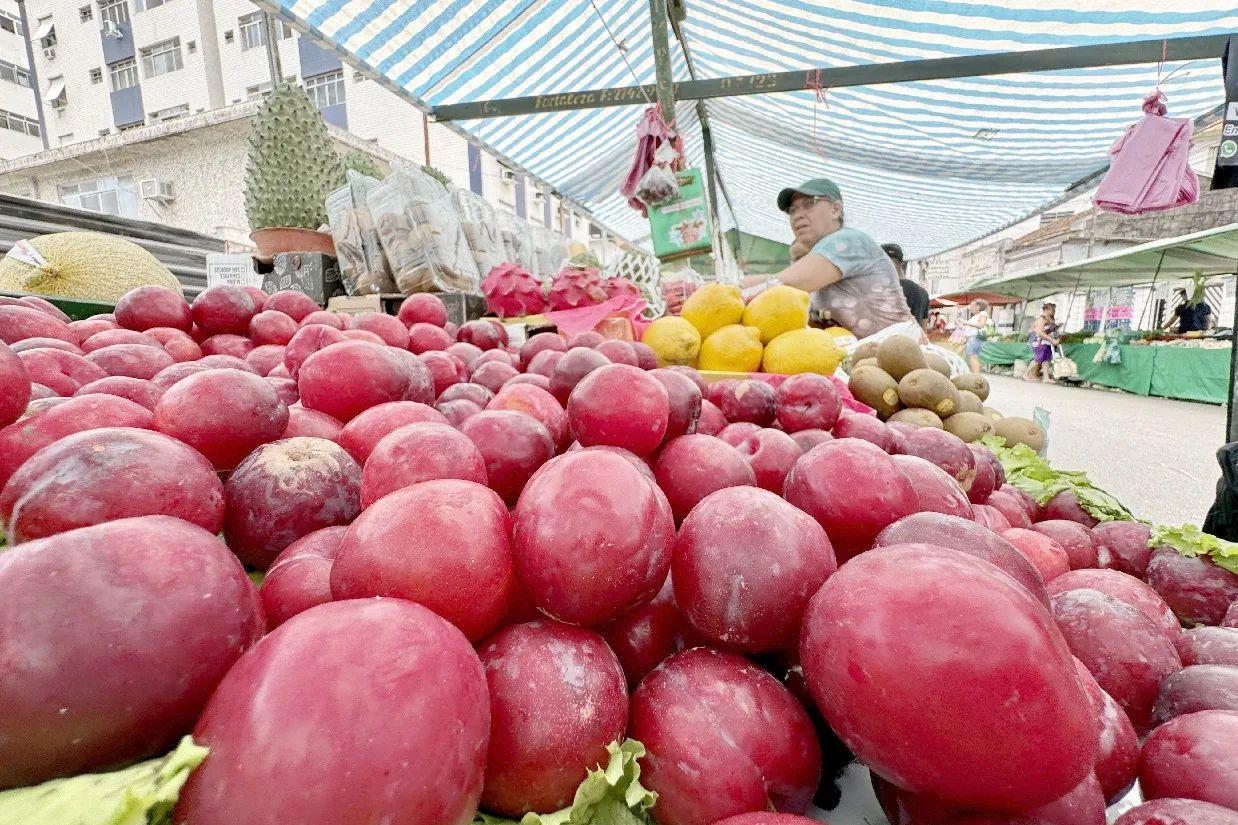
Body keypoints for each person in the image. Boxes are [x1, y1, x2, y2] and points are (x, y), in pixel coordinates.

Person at [742, 178, 914, 338]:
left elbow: (781, 283)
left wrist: (727, 288)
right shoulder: (821, 259)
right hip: (866, 356)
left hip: (901, 355)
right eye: (792, 210)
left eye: (809, 204)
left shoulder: (847, 241)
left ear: (835, 209)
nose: (797, 215)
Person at [882, 243, 930, 329]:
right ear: (901, 262)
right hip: (913, 341)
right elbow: (923, 329)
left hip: (887, 341)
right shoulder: (923, 293)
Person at [1023, 301, 1060, 383]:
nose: (1054, 311)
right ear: (1047, 309)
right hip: (1039, 342)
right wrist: (1052, 340)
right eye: (1052, 310)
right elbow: (1040, 333)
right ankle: (1025, 374)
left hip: (1046, 342)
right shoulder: (1041, 319)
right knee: (1038, 359)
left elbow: (1048, 330)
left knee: (1045, 360)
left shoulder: (1049, 319)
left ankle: (1046, 377)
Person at [958, 299, 991, 374]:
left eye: (972, 306)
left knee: (972, 356)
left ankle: (976, 375)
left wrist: (966, 323)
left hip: (975, 338)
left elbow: (981, 325)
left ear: (978, 306)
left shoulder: (983, 313)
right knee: (971, 356)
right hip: (971, 338)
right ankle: (975, 374)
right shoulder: (975, 316)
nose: (970, 307)